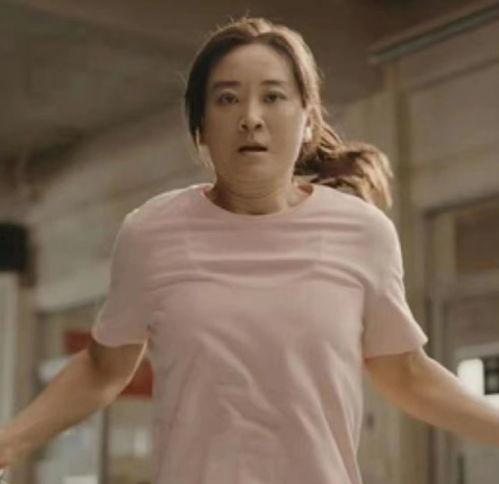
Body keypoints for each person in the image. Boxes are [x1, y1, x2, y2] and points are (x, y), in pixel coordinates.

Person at [1, 15, 498, 484]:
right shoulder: (151, 232)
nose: (251, 118)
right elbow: (101, 369)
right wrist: (8, 443)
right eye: (227, 99)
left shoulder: (363, 233)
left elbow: (407, 374)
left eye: (274, 96)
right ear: (200, 127)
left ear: (307, 120)